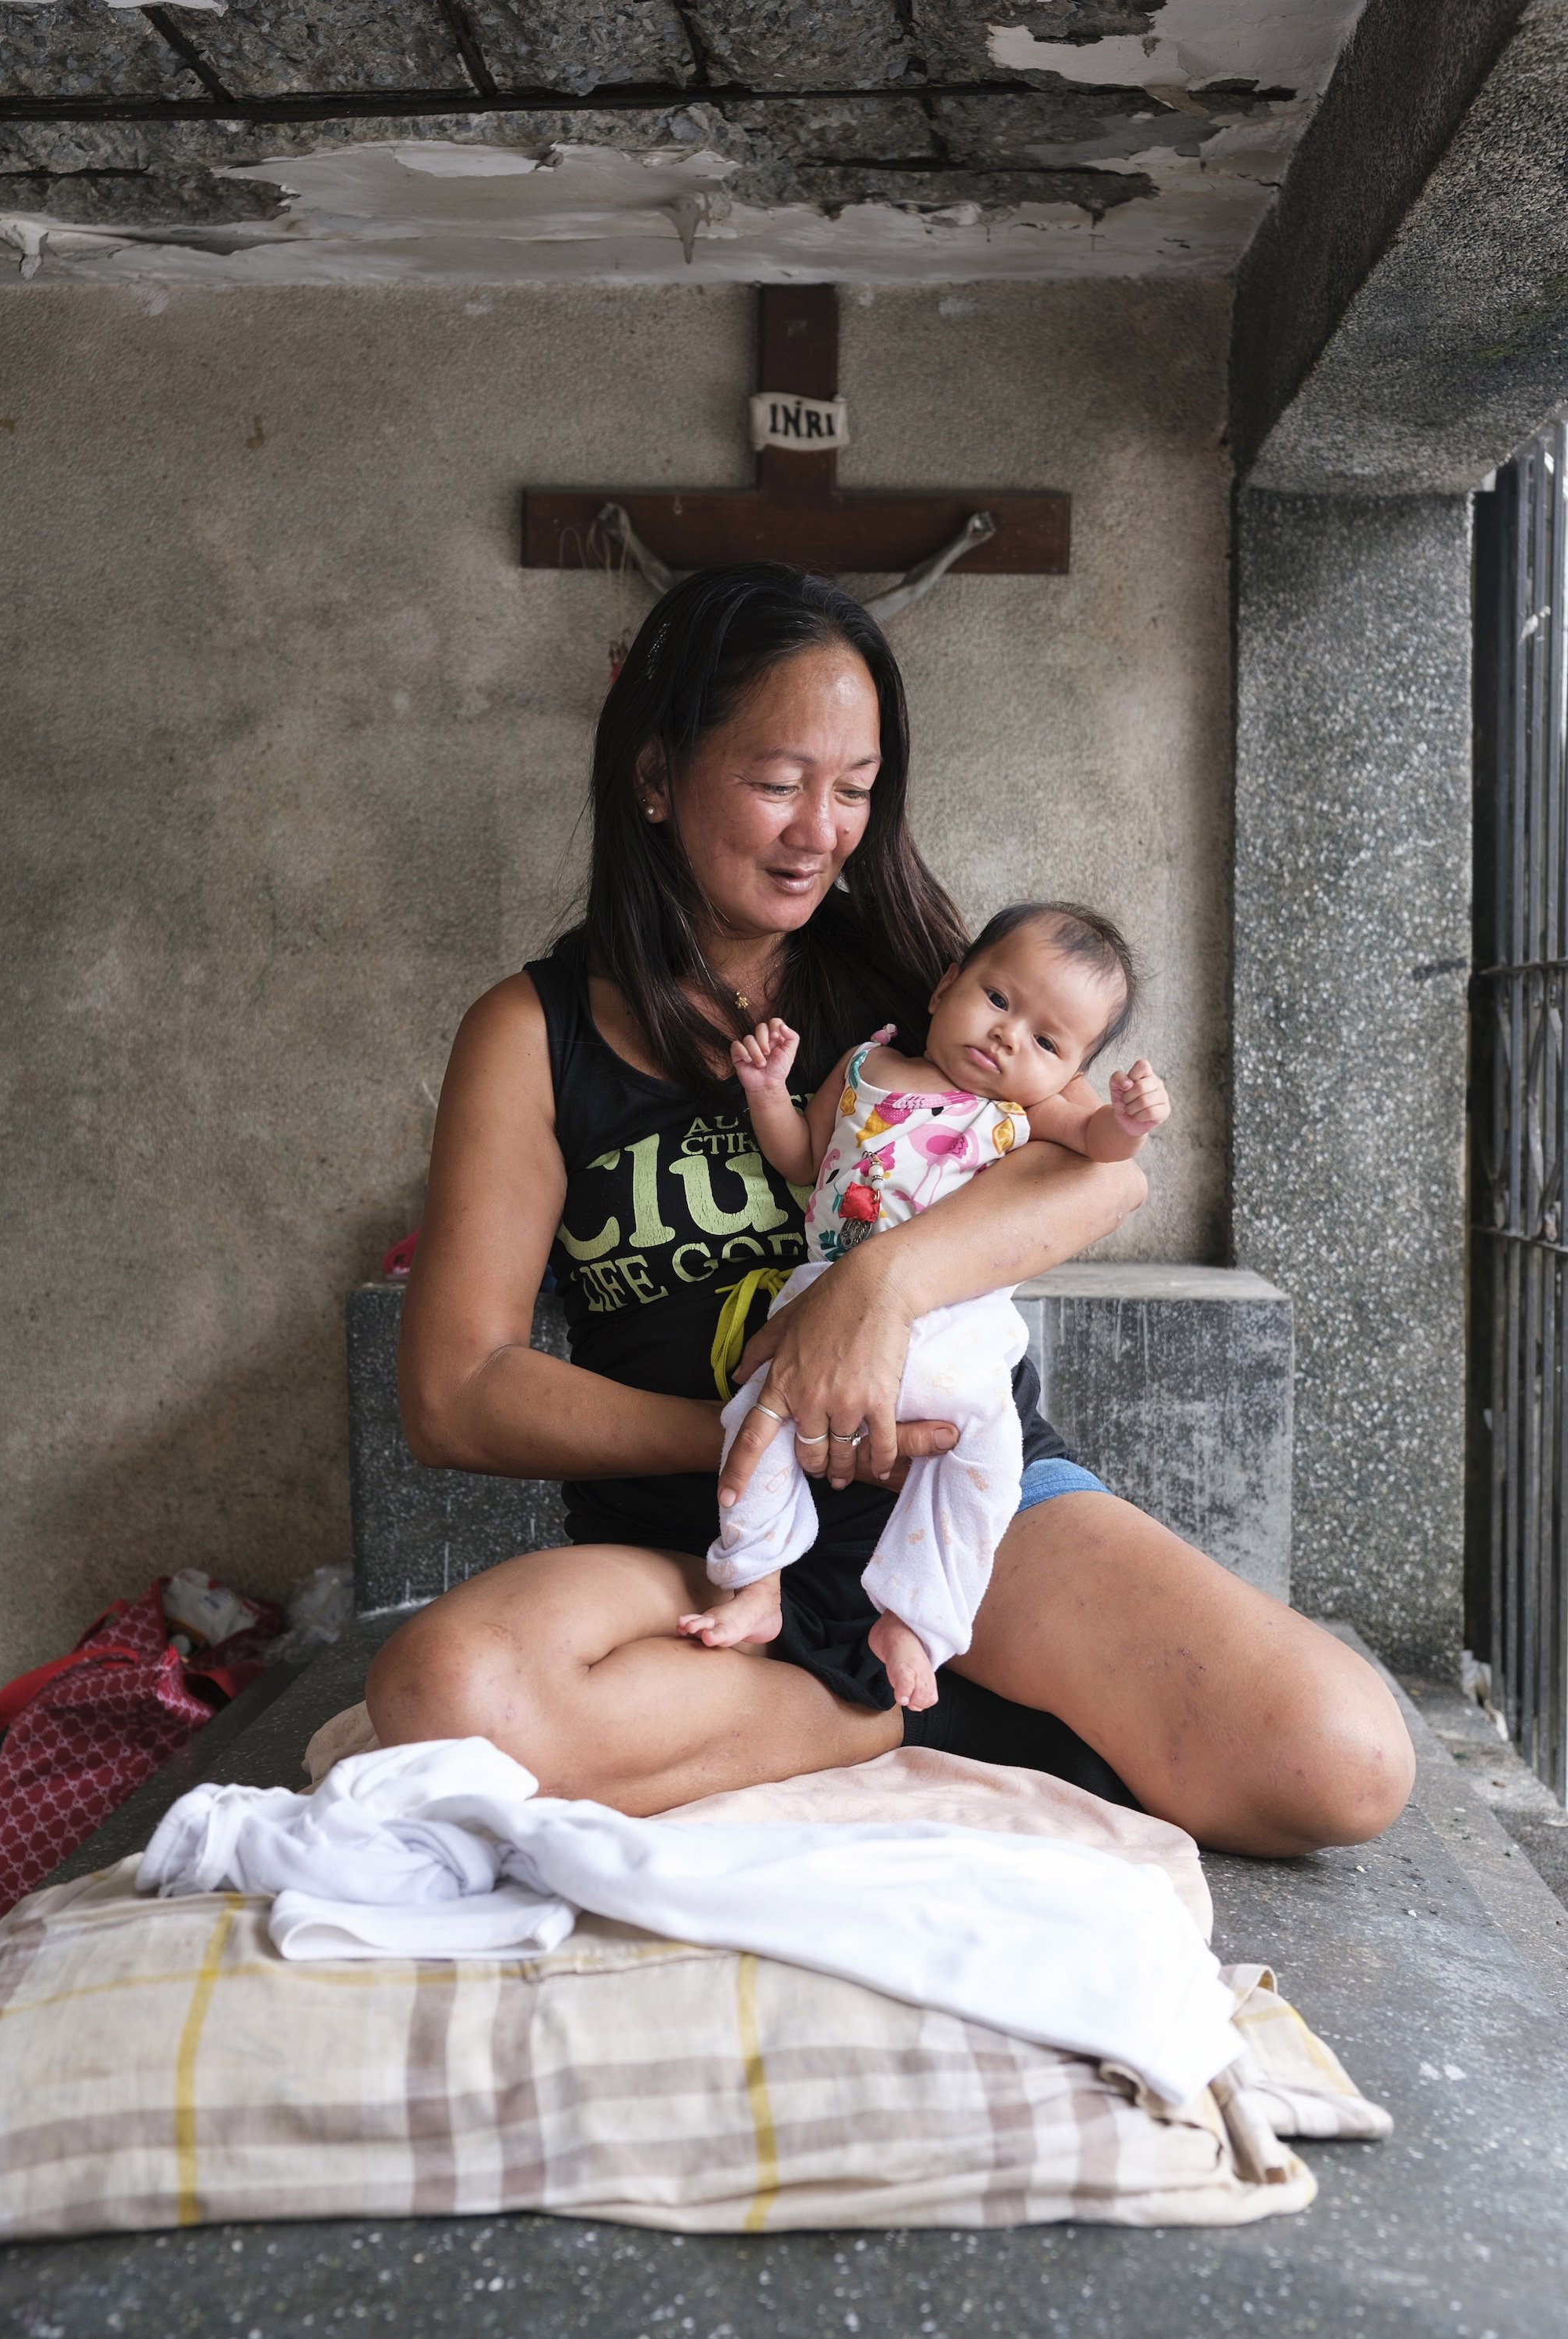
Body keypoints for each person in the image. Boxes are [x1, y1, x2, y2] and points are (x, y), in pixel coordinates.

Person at [366, 561, 1414, 1856]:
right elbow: (456, 1392)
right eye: (776, 780)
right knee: (442, 1700)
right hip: (701, 1545)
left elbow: (1105, 1164)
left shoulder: (920, 973)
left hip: (961, 1506)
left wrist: (877, 1290)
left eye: (855, 789)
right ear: (656, 774)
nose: (823, 829)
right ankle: (902, 1718)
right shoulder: (530, 1035)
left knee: (1344, 1758)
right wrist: (758, 1428)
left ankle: (857, 1683)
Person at [688, 901, 1171, 1714]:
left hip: (955, 1321)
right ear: (947, 983)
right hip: (825, 1298)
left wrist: (1125, 1121)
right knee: (754, 1418)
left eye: (1047, 1043)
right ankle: (755, 1582)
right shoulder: (862, 1068)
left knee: (985, 1456)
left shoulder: (1024, 1113)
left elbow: (1097, 1148)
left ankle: (916, 1619)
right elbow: (803, 1159)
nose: (1009, 1037)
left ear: (1068, 1070)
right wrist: (767, 1091)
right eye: (997, 1000)